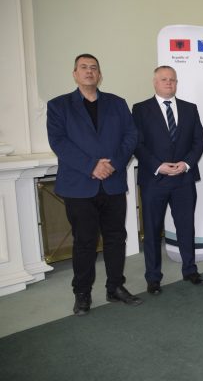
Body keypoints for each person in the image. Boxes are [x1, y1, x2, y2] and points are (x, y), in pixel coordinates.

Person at [47, 53, 141, 316]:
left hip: (112, 183)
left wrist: (113, 164)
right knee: (85, 241)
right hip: (79, 186)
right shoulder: (59, 106)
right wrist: (92, 166)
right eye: (84, 67)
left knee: (116, 238)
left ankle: (115, 287)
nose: (89, 71)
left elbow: (130, 136)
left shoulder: (117, 103)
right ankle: (82, 293)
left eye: (94, 68)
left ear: (100, 75)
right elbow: (59, 142)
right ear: (75, 74)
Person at [132, 65, 203, 295]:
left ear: (176, 83)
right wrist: (158, 166)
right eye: (164, 79)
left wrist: (185, 164)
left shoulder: (189, 109)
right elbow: (137, 143)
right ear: (155, 82)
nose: (168, 83)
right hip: (154, 180)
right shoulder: (140, 109)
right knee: (152, 231)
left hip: (183, 179)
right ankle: (153, 278)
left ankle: (190, 270)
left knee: (186, 227)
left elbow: (199, 141)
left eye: (172, 80)